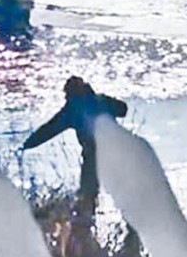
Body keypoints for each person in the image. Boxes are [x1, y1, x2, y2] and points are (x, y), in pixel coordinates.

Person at [23, 76, 128, 217]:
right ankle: (131, 231)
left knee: (87, 197)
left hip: (94, 156)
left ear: (72, 94)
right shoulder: (102, 100)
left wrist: (27, 144)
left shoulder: (72, 109)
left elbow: (49, 130)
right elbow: (123, 110)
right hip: (117, 153)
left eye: (67, 95)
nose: (66, 99)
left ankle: (88, 225)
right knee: (123, 194)